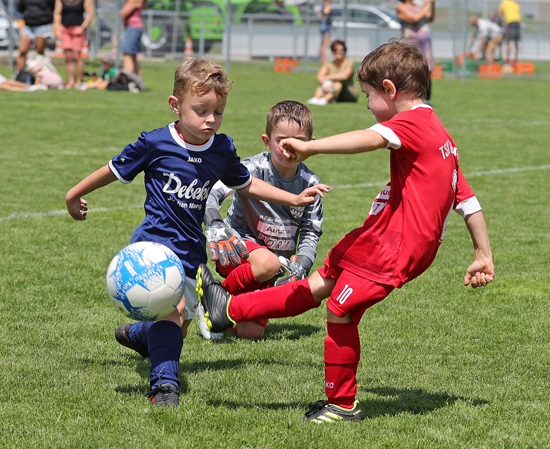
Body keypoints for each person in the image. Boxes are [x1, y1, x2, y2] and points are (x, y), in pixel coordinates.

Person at [196, 40, 495, 423]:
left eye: (369, 95)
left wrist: (313, 147)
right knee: (317, 285)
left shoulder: (412, 122)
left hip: (394, 246)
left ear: (389, 89)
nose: (367, 104)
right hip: (379, 237)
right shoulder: (443, 138)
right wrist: (483, 254)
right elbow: (468, 201)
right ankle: (226, 309)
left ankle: (342, 404)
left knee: (340, 309)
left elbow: (371, 138)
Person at [65, 58, 329, 407]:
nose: (210, 120)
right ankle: (164, 387)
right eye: (201, 111)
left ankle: (141, 335)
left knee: (181, 323)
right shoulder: (155, 143)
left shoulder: (221, 149)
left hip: (192, 250)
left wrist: (293, 198)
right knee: (174, 311)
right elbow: (114, 169)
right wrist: (74, 194)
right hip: (154, 245)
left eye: (217, 112)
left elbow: (247, 184)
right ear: (175, 105)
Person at [201, 100, 324, 340]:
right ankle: (214, 298)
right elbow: (212, 194)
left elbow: (311, 231)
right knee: (267, 263)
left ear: (310, 145)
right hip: (235, 250)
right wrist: (214, 223)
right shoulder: (251, 169)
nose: (289, 149)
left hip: (273, 267)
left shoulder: (311, 184)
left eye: (298, 141)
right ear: (267, 141)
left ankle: (227, 303)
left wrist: (303, 265)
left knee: (251, 333)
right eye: (282, 141)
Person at [397, 0, 435, 104]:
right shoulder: (401, 7)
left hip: (425, 44)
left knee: (427, 70)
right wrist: (427, 6)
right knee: (410, 71)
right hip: (411, 44)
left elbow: (430, 18)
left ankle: (427, 100)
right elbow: (415, 18)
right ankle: (408, 98)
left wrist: (432, 4)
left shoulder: (418, 7)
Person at [53, 0, 95, 89]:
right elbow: (57, 13)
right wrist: (58, 27)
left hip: (78, 29)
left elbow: (90, 13)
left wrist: (82, 27)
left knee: (76, 56)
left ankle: (78, 80)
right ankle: (71, 81)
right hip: (65, 29)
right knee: (68, 57)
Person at [307, 40, 358, 106]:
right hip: (333, 90)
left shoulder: (349, 63)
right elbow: (319, 76)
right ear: (332, 51)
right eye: (335, 49)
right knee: (322, 84)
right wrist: (327, 85)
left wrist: (327, 77)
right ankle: (316, 98)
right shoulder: (329, 64)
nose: (338, 52)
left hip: (348, 93)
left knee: (338, 84)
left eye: (341, 50)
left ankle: (324, 100)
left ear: (345, 51)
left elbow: (344, 76)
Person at [15, 0, 56, 73]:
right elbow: (20, 8)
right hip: (28, 25)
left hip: (43, 25)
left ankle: (40, 75)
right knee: (22, 51)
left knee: (39, 52)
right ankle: (18, 74)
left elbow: (54, 7)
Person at [119, 0, 145, 77]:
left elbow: (123, 14)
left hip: (133, 28)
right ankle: (138, 81)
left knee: (127, 55)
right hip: (134, 28)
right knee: (132, 57)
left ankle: (127, 79)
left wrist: (121, 12)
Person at [316, 0, 332, 64]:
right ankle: (323, 59)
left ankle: (320, 59)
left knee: (322, 44)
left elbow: (319, 13)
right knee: (325, 44)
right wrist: (325, 17)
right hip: (326, 28)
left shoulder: (322, 6)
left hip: (323, 27)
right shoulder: (327, 5)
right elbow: (326, 12)